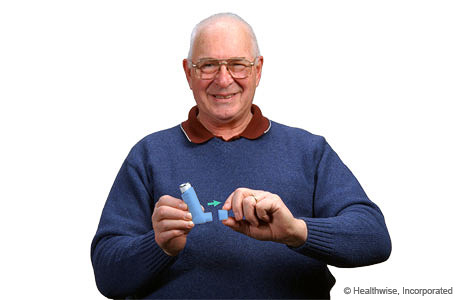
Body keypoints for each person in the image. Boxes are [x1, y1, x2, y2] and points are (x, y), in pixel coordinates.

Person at [91, 13, 391, 299]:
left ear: (258, 70)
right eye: (208, 65)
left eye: (238, 64)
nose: (223, 80)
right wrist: (158, 247)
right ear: (188, 72)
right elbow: (107, 275)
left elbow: (374, 238)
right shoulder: (149, 155)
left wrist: (295, 232)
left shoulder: (308, 151)